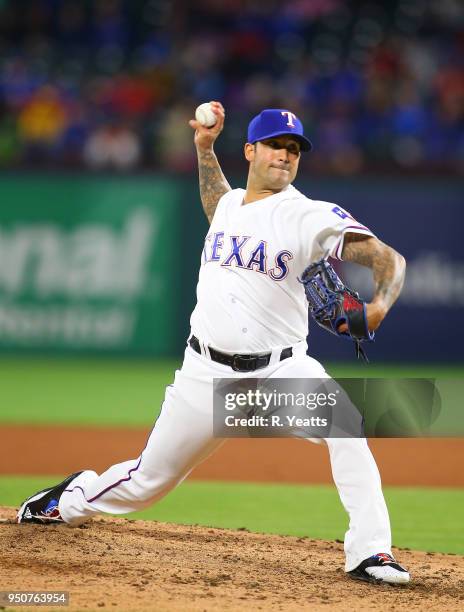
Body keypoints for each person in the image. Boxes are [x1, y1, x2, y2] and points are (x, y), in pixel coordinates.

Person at [17, 103, 409, 585]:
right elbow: (216, 199)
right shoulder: (230, 204)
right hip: (205, 377)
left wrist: (377, 308)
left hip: (278, 374)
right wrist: (204, 148)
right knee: (144, 485)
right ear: (250, 150)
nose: (285, 156)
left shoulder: (308, 216)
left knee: (348, 430)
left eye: (294, 149)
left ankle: (370, 552)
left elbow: (389, 260)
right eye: (275, 146)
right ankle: (69, 500)